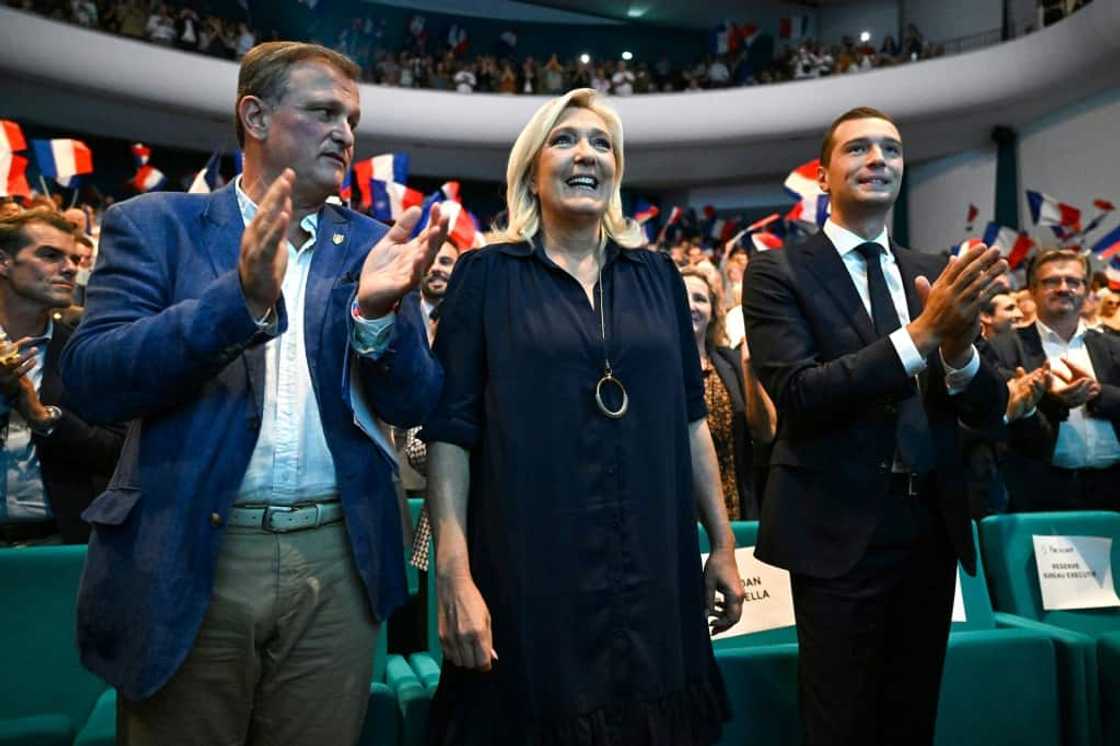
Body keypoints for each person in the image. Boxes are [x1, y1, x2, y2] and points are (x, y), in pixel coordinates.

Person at [60, 42, 446, 745]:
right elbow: (93, 380)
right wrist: (235, 304)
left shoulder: (373, 244)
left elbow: (414, 404)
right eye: (324, 111)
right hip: (189, 554)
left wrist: (376, 318)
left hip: (339, 557)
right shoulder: (157, 226)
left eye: (353, 119)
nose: (346, 134)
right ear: (256, 116)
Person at [421, 88, 741, 745]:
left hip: (656, 567)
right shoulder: (484, 277)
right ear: (531, 171)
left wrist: (725, 545)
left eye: (601, 143)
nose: (586, 154)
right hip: (530, 570)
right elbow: (451, 435)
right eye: (564, 140)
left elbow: (690, 421)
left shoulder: (658, 278)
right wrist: (454, 576)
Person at [742, 106, 1009, 746]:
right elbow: (800, 395)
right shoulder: (778, 271)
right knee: (840, 721)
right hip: (837, 530)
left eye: (890, 149)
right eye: (858, 149)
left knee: (911, 717)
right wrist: (922, 335)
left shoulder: (936, 266)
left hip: (928, 528)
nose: (877, 160)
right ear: (824, 175)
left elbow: (988, 404)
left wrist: (960, 354)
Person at [0, 210, 123, 545]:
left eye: (73, 258)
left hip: (60, 544)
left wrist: (42, 416)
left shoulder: (89, 351)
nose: (70, 267)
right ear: (4, 263)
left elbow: (118, 451)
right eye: (50, 255)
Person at [986, 250, 1120, 512]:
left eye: (1073, 281)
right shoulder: (1003, 348)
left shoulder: (1113, 346)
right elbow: (1000, 418)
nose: (1063, 288)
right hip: (1042, 492)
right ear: (1032, 290)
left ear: (1086, 290)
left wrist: (1098, 393)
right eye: (1051, 281)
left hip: (1113, 490)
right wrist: (1049, 398)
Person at [680, 265, 775, 520]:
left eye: (700, 299)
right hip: (673, 513)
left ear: (713, 312)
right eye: (680, 297)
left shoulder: (733, 364)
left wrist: (750, 368)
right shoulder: (651, 368)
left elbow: (766, 433)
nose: (690, 305)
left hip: (735, 512)